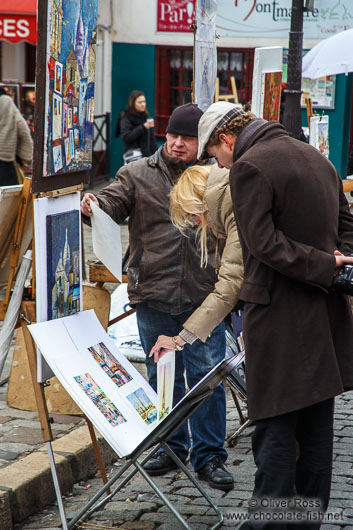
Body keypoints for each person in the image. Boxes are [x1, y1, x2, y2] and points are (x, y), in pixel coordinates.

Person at [198, 101, 353, 526]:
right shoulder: (318, 158)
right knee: (317, 429)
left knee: (277, 429)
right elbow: (348, 227)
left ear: (226, 139)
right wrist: (339, 262)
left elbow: (262, 245)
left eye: (215, 154)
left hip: (283, 319)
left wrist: (325, 265)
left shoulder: (250, 167)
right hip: (324, 315)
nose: (220, 163)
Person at [81, 103, 234, 491]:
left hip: (205, 295)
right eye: (173, 136)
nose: (178, 143)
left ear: (202, 142)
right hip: (153, 292)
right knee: (163, 378)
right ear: (164, 135)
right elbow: (112, 202)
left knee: (206, 379)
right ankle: (170, 445)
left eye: (187, 137)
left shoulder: (216, 174)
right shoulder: (135, 173)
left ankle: (210, 455)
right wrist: (93, 206)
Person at [150, 164, 243, 360]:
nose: (197, 222)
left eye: (193, 214)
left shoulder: (235, 212)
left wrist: (179, 340)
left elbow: (229, 286)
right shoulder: (234, 198)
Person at [0, 89, 33, 187]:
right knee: (7, 199)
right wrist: (25, 157)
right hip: (5, 162)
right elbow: (23, 130)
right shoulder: (6, 101)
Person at [115, 90, 158, 163]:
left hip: (145, 156)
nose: (143, 104)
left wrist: (157, 155)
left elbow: (151, 140)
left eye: (144, 102)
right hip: (132, 154)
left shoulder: (146, 116)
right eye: (140, 102)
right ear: (133, 103)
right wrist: (143, 127)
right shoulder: (126, 116)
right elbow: (127, 137)